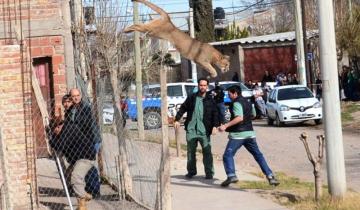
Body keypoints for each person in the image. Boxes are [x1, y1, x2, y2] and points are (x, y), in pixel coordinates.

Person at [218, 85, 279, 187]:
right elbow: (253, 115)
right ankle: (270, 176)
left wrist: (225, 126)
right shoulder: (248, 102)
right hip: (250, 134)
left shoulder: (236, 103)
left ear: (235, 93)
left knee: (227, 155)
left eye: (229, 95)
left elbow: (239, 118)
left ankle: (231, 175)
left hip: (238, 134)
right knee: (258, 155)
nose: (229, 97)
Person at [60, 88, 101, 209]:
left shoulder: (85, 108)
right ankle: (82, 198)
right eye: (74, 96)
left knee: (90, 166)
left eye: (78, 95)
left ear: (81, 96)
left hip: (92, 140)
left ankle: (94, 191)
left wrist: (71, 129)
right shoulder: (70, 110)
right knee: (80, 169)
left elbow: (85, 125)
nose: (76, 98)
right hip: (81, 143)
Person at [174, 78, 220, 179]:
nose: (202, 87)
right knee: (190, 151)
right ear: (198, 86)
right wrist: (177, 119)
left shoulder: (210, 100)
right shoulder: (192, 97)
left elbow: (215, 113)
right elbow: (183, 108)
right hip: (191, 129)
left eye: (204, 85)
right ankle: (191, 171)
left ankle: (209, 173)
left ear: (207, 87)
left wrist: (215, 126)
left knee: (207, 151)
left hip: (204, 130)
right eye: (201, 85)